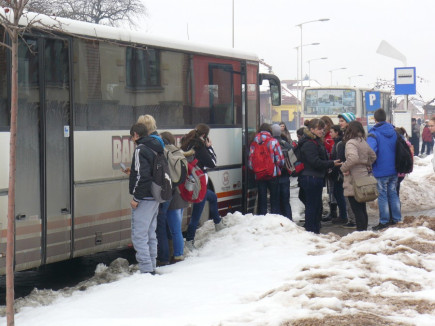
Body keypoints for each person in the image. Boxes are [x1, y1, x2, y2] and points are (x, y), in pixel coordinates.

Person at [180, 123, 226, 251]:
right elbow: (212, 163)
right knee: (196, 214)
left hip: (190, 180)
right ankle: (189, 241)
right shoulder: (199, 146)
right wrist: (209, 148)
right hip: (199, 184)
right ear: (204, 135)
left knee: (212, 197)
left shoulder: (186, 142)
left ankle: (218, 222)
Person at [128, 123, 162, 274]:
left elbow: (143, 176)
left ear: (135, 135)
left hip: (145, 198)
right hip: (155, 196)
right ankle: (152, 266)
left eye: (131, 137)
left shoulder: (140, 149)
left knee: (139, 235)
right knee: (150, 234)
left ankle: (146, 270)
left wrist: (136, 198)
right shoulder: (156, 145)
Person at [298, 119, 341, 234]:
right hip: (310, 178)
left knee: (316, 205)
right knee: (313, 206)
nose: (322, 131)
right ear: (312, 130)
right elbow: (315, 162)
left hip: (314, 177)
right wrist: (331, 163)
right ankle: (311, 230)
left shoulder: (314, 141)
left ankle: (314, 229)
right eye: (319, 129)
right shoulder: (309, 143)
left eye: (323, 128)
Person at [367, 108, 402, 230]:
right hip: (394, 169)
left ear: (375, 119)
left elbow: (371, 153)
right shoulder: (395, 131)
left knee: (382, 195)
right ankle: (397, 219)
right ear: (385, 118)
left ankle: (384, 221)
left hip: (380, 170)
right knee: (393, 194)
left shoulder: (374, 133)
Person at [340, 121, 376, 231]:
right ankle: (364, 230)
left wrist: (343, 167)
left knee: (356, 208)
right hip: (364, 178)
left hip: (354, 179)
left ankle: (361, 232)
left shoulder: (351, 143)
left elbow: (353, 158)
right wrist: (366, 164)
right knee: (362, 207)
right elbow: (373, 156)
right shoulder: (363, 142)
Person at [160, 131, 190, 264]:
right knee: (176, 228)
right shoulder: (178, 152)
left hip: (173, 195)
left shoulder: (166, 153)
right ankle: (176, 253)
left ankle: (178, 255)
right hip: (182, 195)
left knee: (175, 229)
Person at [249, 123, 284, 216]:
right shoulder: (273, 141)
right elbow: (280, 160)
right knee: (274, 198)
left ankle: (262, 218)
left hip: (259, 175)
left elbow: (250, 163)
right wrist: (276, 168)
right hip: (272, 174)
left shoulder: (254, 143)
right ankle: (275, 217)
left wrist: (258, 169)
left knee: (262, 198)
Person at [337, 112, 357, 228]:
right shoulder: (346, 135)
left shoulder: (350, 137)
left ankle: (353, 220)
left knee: (350, 195)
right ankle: (353, 219)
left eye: (342, 121)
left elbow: (352, 156)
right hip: (347, 169)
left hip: (350, 170)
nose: (340, 123)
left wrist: (344, 167)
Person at [271, 124, 292, 220]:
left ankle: (277, 220)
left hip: (273, 176)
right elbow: (292, 161)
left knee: (275, 200)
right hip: (285, 175)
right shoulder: (286, 144)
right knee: (285, 201)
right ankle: (288, 219)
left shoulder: (270, 143)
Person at [329, 125, 348, 224]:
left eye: (331, 131)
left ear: (337, 132)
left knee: (338, 193)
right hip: (337, 172)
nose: (330, 133)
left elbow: (339, 158)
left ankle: (343, 215)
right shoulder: (337, 143)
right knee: (337, 193)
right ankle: (343, 215)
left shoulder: (339, 144)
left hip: (338, 173)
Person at [320, 116, 336, 222]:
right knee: (330, 190)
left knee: (332, 190)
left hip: (331, 165)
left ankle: (334, 212)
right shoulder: (324, 136)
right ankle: (332, 211)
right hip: (327, 165)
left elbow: (331, 151)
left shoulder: (329, 137)